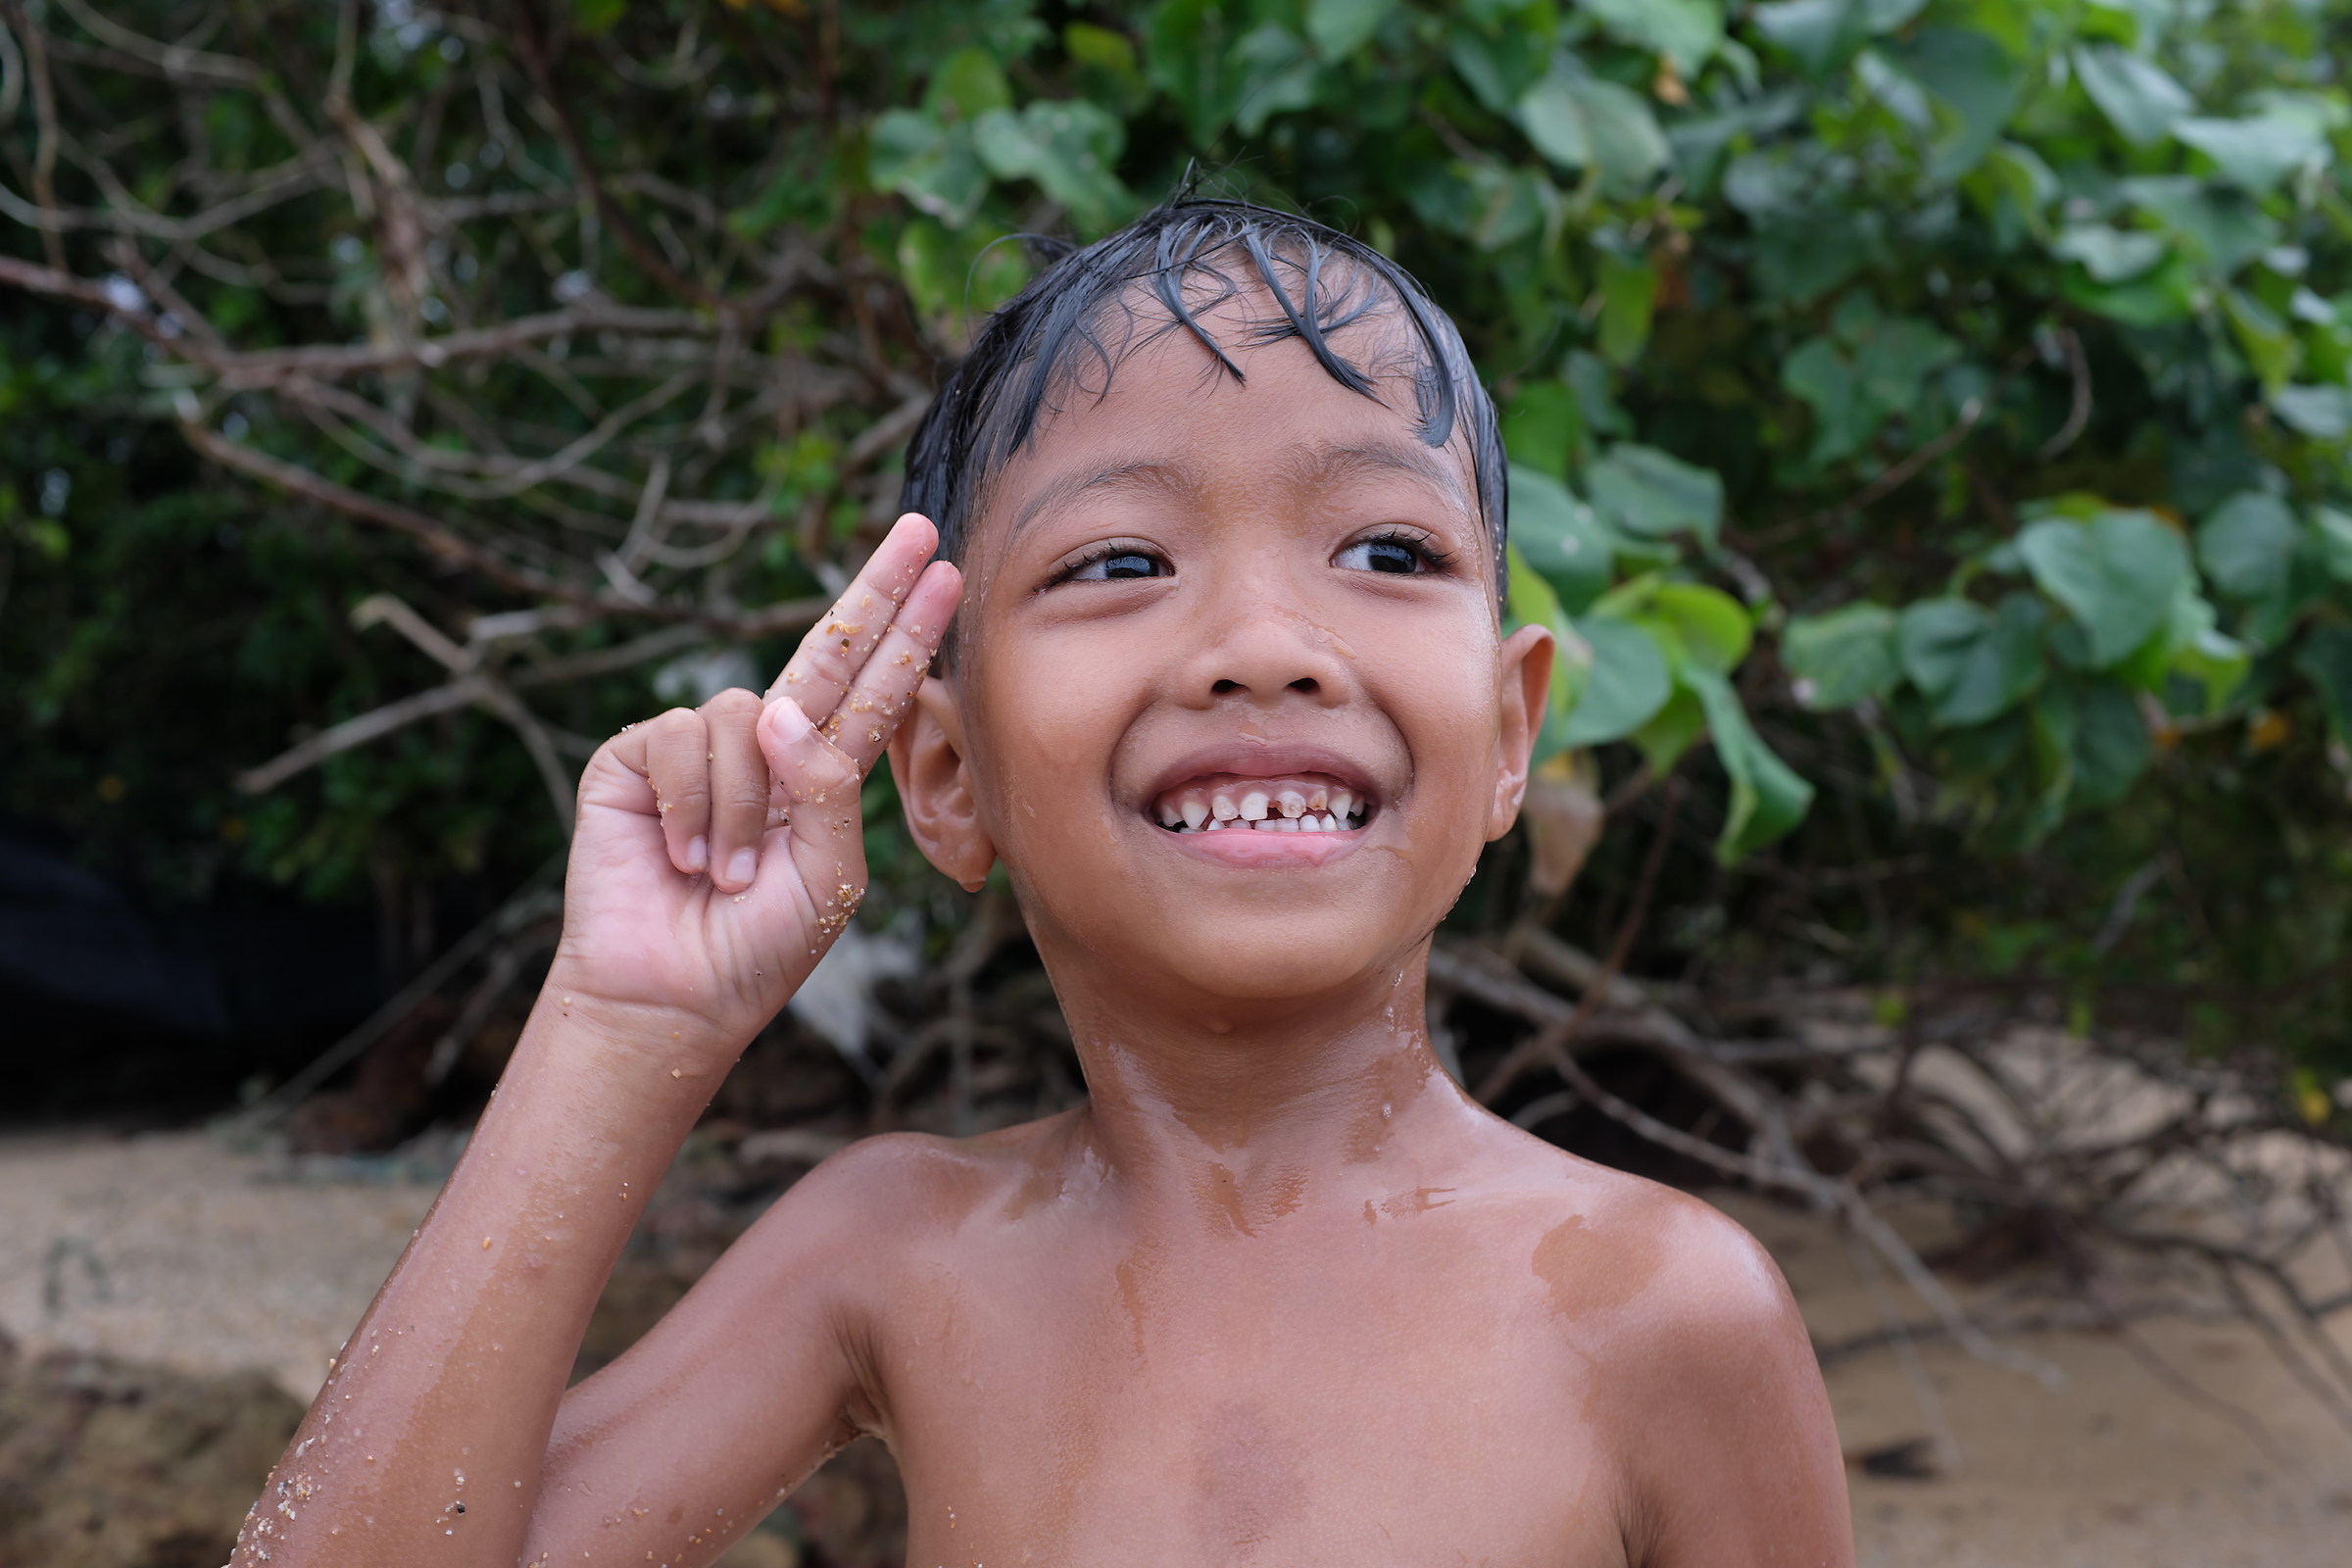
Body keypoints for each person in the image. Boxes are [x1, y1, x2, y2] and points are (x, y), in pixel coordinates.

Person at [234, 199, 1851, 1568]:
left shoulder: (1660, 1309)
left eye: (1385, 552)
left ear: (1509, 734)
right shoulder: (896, 1253)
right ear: (947, 776)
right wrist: (620, 1027)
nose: (1265, 650)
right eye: (1121, 563)